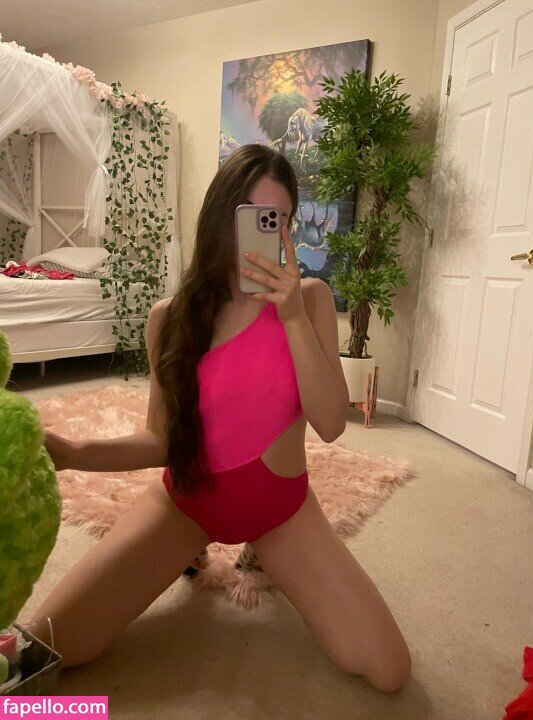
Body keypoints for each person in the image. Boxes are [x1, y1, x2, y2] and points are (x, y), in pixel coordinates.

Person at [32, 144, 411, 693]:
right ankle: (190, 549)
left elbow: (331, 424)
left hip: (281, 511)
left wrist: (291, 316)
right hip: (185, 502)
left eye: (280, 220)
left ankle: (258, 553)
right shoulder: (170, 318)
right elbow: (160, 441)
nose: (267, 234)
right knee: (44, 649)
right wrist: (74, 454)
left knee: (388, 669)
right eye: (255, 217)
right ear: (220, 217)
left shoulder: (310, 300)